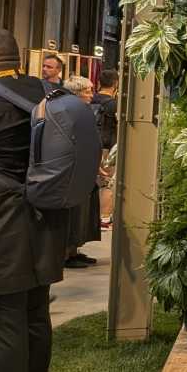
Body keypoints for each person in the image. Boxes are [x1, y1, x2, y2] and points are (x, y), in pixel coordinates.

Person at [0, 29, 69, 372]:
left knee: (3, 331)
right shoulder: (46, 93)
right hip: (43, 228)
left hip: (0, 233)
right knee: (35, 320)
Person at [62, 76, 101, 268]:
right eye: (88, 91)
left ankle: (73, 250)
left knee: (83, 211)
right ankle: (66, 254)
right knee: (74, 212)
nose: (91, 94)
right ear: (76, 93)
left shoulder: (84, 111)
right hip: (73, 170)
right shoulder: (69, 112)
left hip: (84, 168)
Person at [92, 70, 119, 227]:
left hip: (91, 145)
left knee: (93, 182)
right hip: (107, 147)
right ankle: (103, 217)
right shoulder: (114, 104)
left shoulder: (90, 99)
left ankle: (92, 217)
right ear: (115, 83)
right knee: (107, 182)